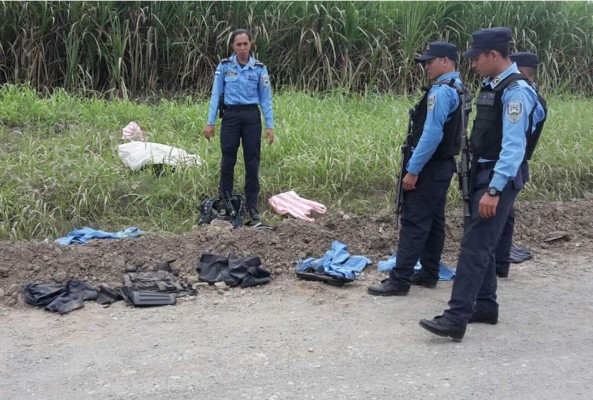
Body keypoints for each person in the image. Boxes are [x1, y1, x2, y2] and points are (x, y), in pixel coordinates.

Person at [419, 28, 545, 341]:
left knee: (474, 248)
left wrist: (494, 189)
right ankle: (485, 305)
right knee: (483, 245)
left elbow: (514, 148)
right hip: (484, 174)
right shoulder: (493, 86)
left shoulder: (516, 92)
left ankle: (455, 317)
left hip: (496, 180)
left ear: (493, 55)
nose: (473, 64)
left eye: (476, 58)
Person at [368, 42, 469, 296]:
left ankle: (399, 279)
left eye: (429, 61)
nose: (425, 66)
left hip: (430, 166)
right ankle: (429, 272)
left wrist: (413, 170)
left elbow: (431, 134)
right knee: (434, 221)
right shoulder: (459, 88)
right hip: (443, 165)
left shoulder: (441, 92)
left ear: (445, 61)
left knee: (413, 221)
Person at [203, 28, 275, 222]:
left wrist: (270, 126)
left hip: (252, 117)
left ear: (250, 45)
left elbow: (266, 99)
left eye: (245, 43)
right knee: (228, 160)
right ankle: (225, 203)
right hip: (231, 118)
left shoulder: (259, 68)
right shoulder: (225, 66)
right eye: (238, 44)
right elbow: (215, 94)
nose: (242, 47)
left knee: (252, 161)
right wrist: (210, 123)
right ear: (233, 46)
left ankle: (252, 205)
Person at [495, 51, 547, 278]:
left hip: (511, 165)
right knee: (506, 218)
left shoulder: (522, 97)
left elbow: (516, 140)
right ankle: (500, 264)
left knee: (498, 219)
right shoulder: (534, 97)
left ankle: (497, 264)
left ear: (523, 71)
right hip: (516, 165)